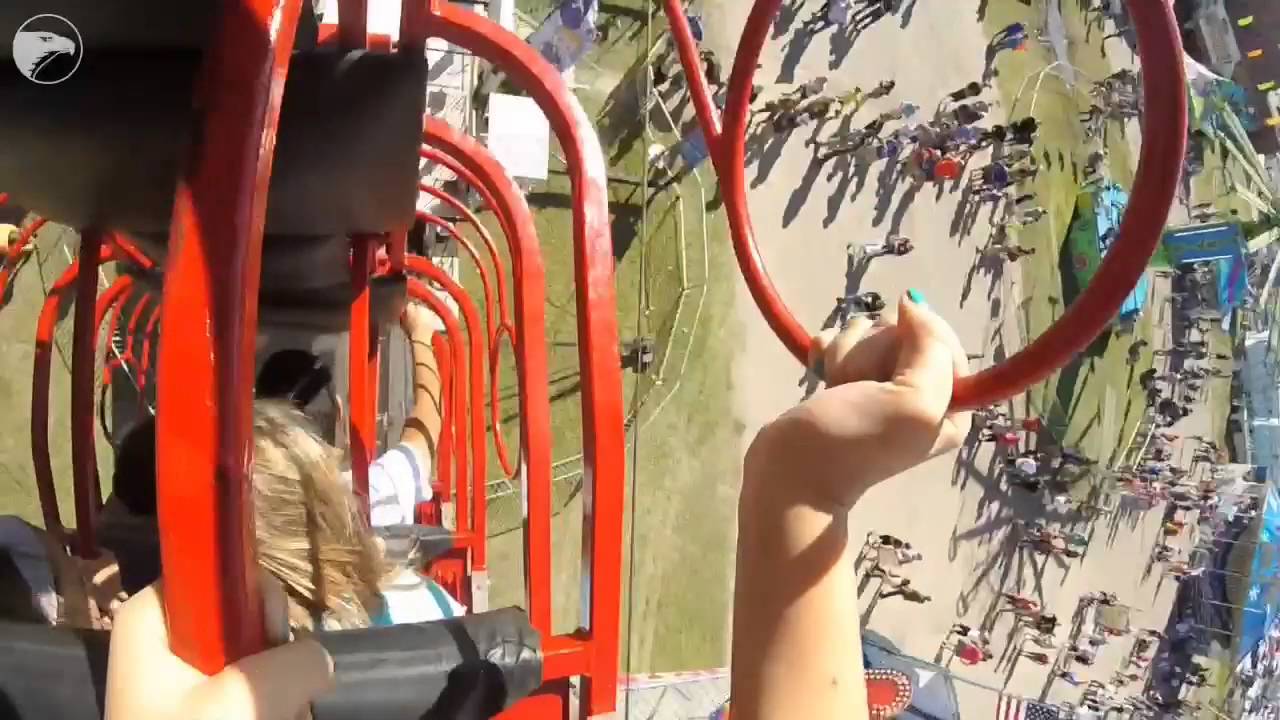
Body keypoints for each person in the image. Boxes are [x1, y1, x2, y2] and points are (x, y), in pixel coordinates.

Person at [108, 293, 974, 719]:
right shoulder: (398, 570)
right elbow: (423, 430)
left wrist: (805, 483)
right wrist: (802, 484)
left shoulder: (165, 652)